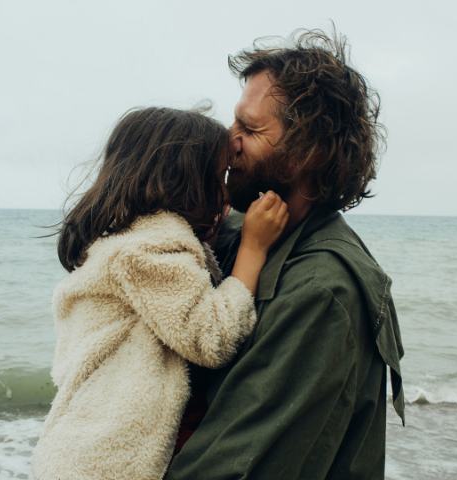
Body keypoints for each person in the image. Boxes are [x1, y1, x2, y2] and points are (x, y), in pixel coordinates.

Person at [165, 28, 406, 480]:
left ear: (306, 154)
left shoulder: (322, 292)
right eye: (234, 123)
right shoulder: (235, 233)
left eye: (249, 129)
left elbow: (230, 468)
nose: (227, 140)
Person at [31, 107, 289, 480]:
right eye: (219, 178)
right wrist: (253, 249)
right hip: (106, 464)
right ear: (185, 183)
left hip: (77, 452)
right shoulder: (151, 250)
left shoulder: (123, 240)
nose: (226, 193)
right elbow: (211, 337)